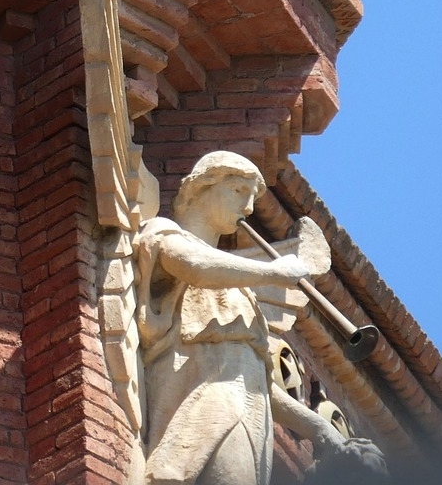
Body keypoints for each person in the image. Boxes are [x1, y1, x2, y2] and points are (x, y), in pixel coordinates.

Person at [138, 150, 337, 485]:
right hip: (204, 406)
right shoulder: (162, 234)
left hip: (249, 412)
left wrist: (319, 428)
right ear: (200, 188)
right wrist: (272, 271)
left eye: (252, 197)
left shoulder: (243, 290)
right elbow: (197, 267)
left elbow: (256, 380)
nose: (247, 208)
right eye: (238, 191)